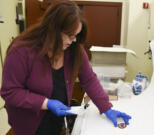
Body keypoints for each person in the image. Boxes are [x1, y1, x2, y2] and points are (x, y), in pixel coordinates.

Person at [0, 0, 131, 135]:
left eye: (76, 35)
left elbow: (89, 80)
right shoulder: (22, 51)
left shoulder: (74, 50)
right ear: (53, 29)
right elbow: (10, 91)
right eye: (70, 35)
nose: (74, 40)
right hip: (28, 122)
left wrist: (106, 108)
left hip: (56, 119)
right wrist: (46, 103)